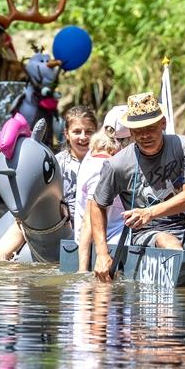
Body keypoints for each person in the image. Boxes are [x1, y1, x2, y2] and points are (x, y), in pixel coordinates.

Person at [89, 92, 185, 282]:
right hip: (148, 233)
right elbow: (97, 205)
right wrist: (102, 254)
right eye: (137, 130)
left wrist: (149, 212)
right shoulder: (117, 164)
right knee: (166, 240)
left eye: (150, 128)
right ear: (131, 132)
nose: (144, 135)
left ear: (163, 124)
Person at [0, 105, 97, 263]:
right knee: (21, 225)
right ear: (66, 134)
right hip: (56, 217)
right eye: (77, 131)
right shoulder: (56, 162)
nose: (83, 137)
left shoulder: (98, 162)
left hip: (82, 220)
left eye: (89, 131)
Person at [73, 106, 132, 272]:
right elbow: (89, 219)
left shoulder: (103, 153)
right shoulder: (101, 164)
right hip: (108, 242)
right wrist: (83, 271)